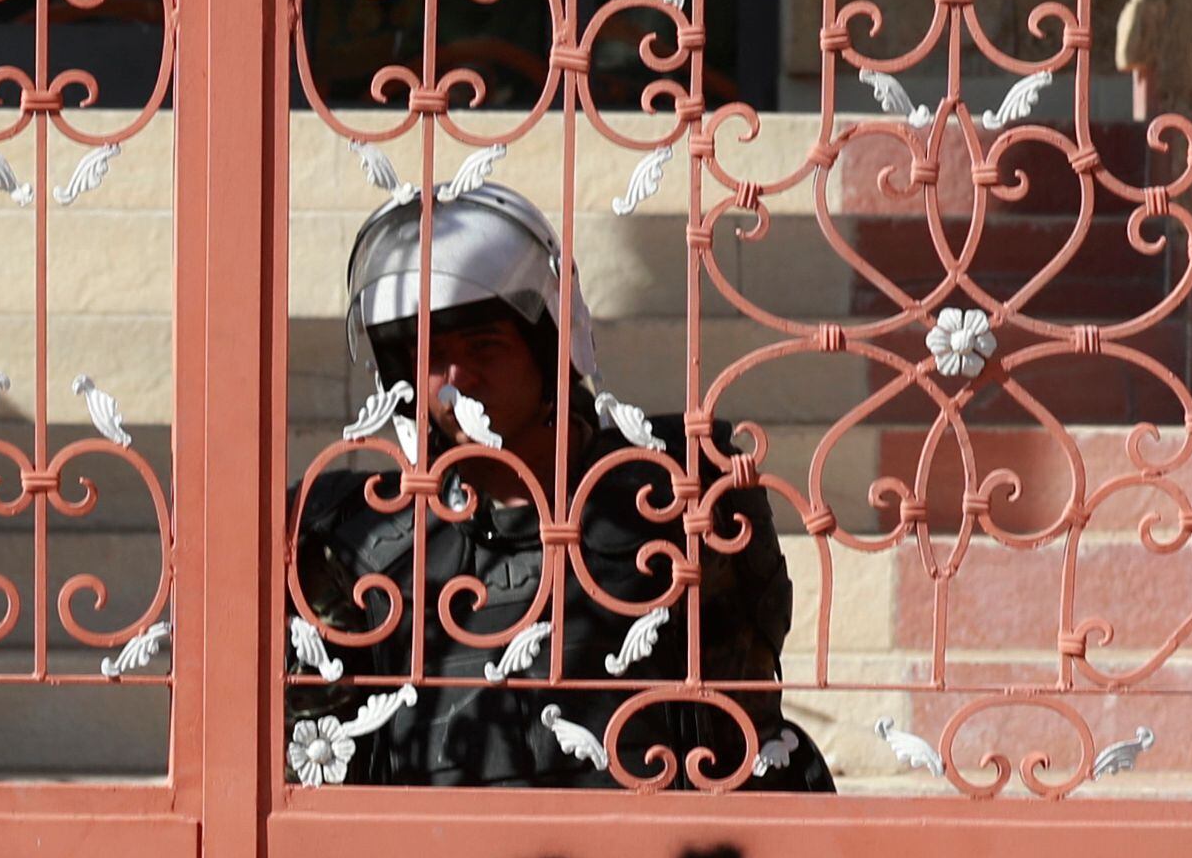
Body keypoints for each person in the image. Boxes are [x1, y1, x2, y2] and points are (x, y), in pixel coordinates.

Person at [288, 180, 829, 790]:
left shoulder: (677, 488)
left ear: (550, 347)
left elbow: (739, 727)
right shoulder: (360, 537)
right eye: (426, 352)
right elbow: (313, 768)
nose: (455, 378)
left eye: (484, 345)